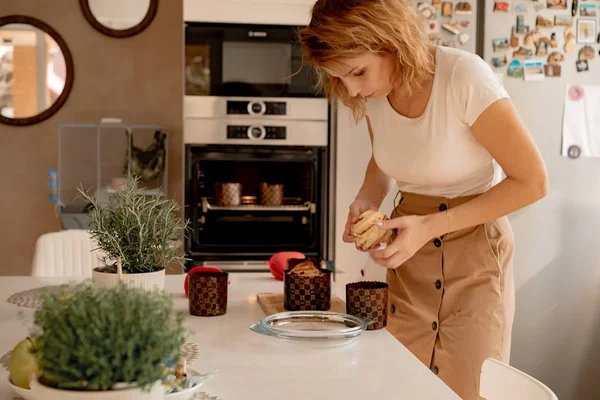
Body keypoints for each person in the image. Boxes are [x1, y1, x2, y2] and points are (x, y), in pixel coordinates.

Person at [298, 0, 548, 399]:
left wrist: (429, 226)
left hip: (475, 252)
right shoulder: (376, 93)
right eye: (340, 79)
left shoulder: (464, 77)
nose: (354, 89)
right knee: (402, 385)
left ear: (390, 40)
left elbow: (533, 182)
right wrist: (367, 198)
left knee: (469, 387)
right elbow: (386, 161)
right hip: (409, 255)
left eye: (358, 72)